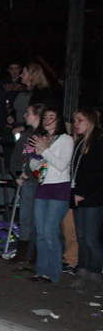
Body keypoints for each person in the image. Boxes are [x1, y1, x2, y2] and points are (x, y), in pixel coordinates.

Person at [28, 107, 73, 283]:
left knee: (49, 232)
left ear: (59, 120)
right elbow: (34, 168)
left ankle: (53, 273)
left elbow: (61, 165)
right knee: (40, 232)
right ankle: (41, 271)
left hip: (59, 188)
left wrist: (45, 150)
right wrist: (38, 155)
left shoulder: (66, 140)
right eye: (45, 117)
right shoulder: (44, 139)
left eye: (51, 117)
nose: (47, 120)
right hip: (43, 187)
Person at [69, 109, 103, 292]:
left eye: (79, 120)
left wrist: (83, 191)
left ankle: (95, 271)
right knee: (81, 237)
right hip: (79, 195)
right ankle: (82, 271)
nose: (76, 124)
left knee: (91, 238)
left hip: (93, 198)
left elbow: (97, 173)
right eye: (74, 120)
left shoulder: (97, 142)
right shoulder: (81, 142)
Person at [9, 103, 46, 262]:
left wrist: (29, 174)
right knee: (25, 218)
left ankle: (36, 252)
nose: (25, 116)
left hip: (40, 183)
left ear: (37, 115)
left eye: (28, 113)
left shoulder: (45, 137)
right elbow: (15, 159)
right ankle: (23, 252)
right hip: (27, 182)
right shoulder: (25, 136)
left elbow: (45, 161)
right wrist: (18, 176)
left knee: (39, 219)